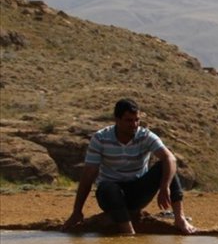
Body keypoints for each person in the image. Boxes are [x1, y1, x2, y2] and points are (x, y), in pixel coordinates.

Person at [63, 98, 197, 235]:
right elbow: (88, 175)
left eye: (137, 120)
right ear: (117, 120)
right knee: (109, 187)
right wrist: (77, 211)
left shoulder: (145, 136)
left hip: (137, 192)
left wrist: (165, 187)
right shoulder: (100, 138)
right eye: (129, 120)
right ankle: (128, 232)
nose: (134, 124)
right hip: (109, 195)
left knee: (166, 165)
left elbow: (170, 158)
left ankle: (180, 219)